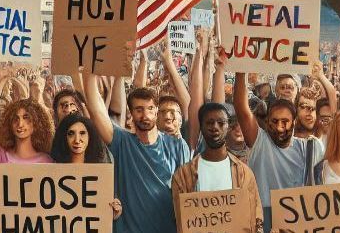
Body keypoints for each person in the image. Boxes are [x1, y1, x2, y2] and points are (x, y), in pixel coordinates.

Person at [82, 70, 190, 233]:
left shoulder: (178, 146)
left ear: (156, 110)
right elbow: (95, 109)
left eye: (150, 109)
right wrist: (93, 67)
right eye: (139, 110)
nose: (145, 115)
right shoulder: (121, 141)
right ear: (131, 113)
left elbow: (187, 194)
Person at [233, 71, 319, 232]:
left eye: (285, 122)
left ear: (294, 122)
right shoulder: (260, 141)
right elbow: (241, 108)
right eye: (274, 121)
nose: (279, 127)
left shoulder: (309, 147)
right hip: (262, 221)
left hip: (296, 222)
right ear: (266, 121)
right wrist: (240, 70)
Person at [171, 103, 263, 233]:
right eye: (209, 123)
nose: (215, 127)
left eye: (221, 123)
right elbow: (181, 222)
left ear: (228, 127)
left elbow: (256, 217)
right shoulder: (183, 176)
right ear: (201, 127)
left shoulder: (243, 173)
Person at [49, 114, 121, 220]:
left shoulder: (101, 175)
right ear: (64, 137)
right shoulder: (50, 172)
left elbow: (105, 211)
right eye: (71, 134)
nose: (77, 140)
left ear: (90, 136)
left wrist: (114, 211)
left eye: (82, 133)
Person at [0, 75, 54, 164]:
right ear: (9, 124)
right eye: (16, 118)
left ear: (37, 123)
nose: (20, 124)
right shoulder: (0, 155)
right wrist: (2, 80)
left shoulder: (46, 161)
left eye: (26, 118)